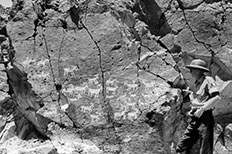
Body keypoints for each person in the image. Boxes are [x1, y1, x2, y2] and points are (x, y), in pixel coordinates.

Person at [176, 59, 221, 154]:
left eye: (193, 69)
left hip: (205, 119)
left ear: (200, 70)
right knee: (182, 147)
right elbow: (201, 100)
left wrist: (202, 109)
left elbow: (216, 97)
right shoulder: (197, 83)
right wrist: (194, 108)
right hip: (195, 119)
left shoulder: (208, 80)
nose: (191, 71)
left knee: (205, 150)